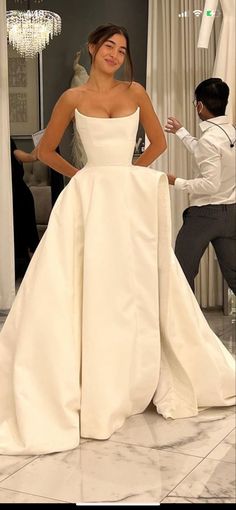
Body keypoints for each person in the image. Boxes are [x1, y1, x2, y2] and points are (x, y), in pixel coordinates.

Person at [0, 25, 235, 456]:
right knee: (85, 279)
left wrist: (129, 173)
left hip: (126, 197)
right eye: (109, 46)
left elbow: (160, 141)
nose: (115, 54)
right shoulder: (73, 98)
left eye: (122, 49)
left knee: (131, 281)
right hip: (90, 198)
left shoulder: (136, 91)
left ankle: (134, 370)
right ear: (93, 48)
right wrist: (83, 177)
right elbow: (47, 150)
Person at [164, 78, 236, 294]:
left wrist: (176, 181)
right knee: (234, 274)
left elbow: (210, 184)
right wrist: (181, 132)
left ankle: (183, 326)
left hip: (206, 215)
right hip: (231, 213)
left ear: (200, 106)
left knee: (181, 273)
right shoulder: (230, 132)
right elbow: (206, 153)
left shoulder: (209, 139)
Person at [10, 138, 39, 279]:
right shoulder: (12, 150)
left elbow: (31, 157)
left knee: (29, 236)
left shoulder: (11, 149)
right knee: (29, 236)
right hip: (17, 199)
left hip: (20, 200)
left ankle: (35, 272)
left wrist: (43, 146)